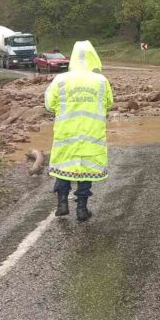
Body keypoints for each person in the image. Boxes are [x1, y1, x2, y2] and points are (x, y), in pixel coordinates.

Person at [44, 41, 113, 221]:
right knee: (85, 169)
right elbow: (109, 103)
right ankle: (82, 209)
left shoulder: (60, 79)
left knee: (63, 167)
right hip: (92, 133)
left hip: (66, 133)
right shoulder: (101, 81)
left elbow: (49, 105)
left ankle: (62, 205)